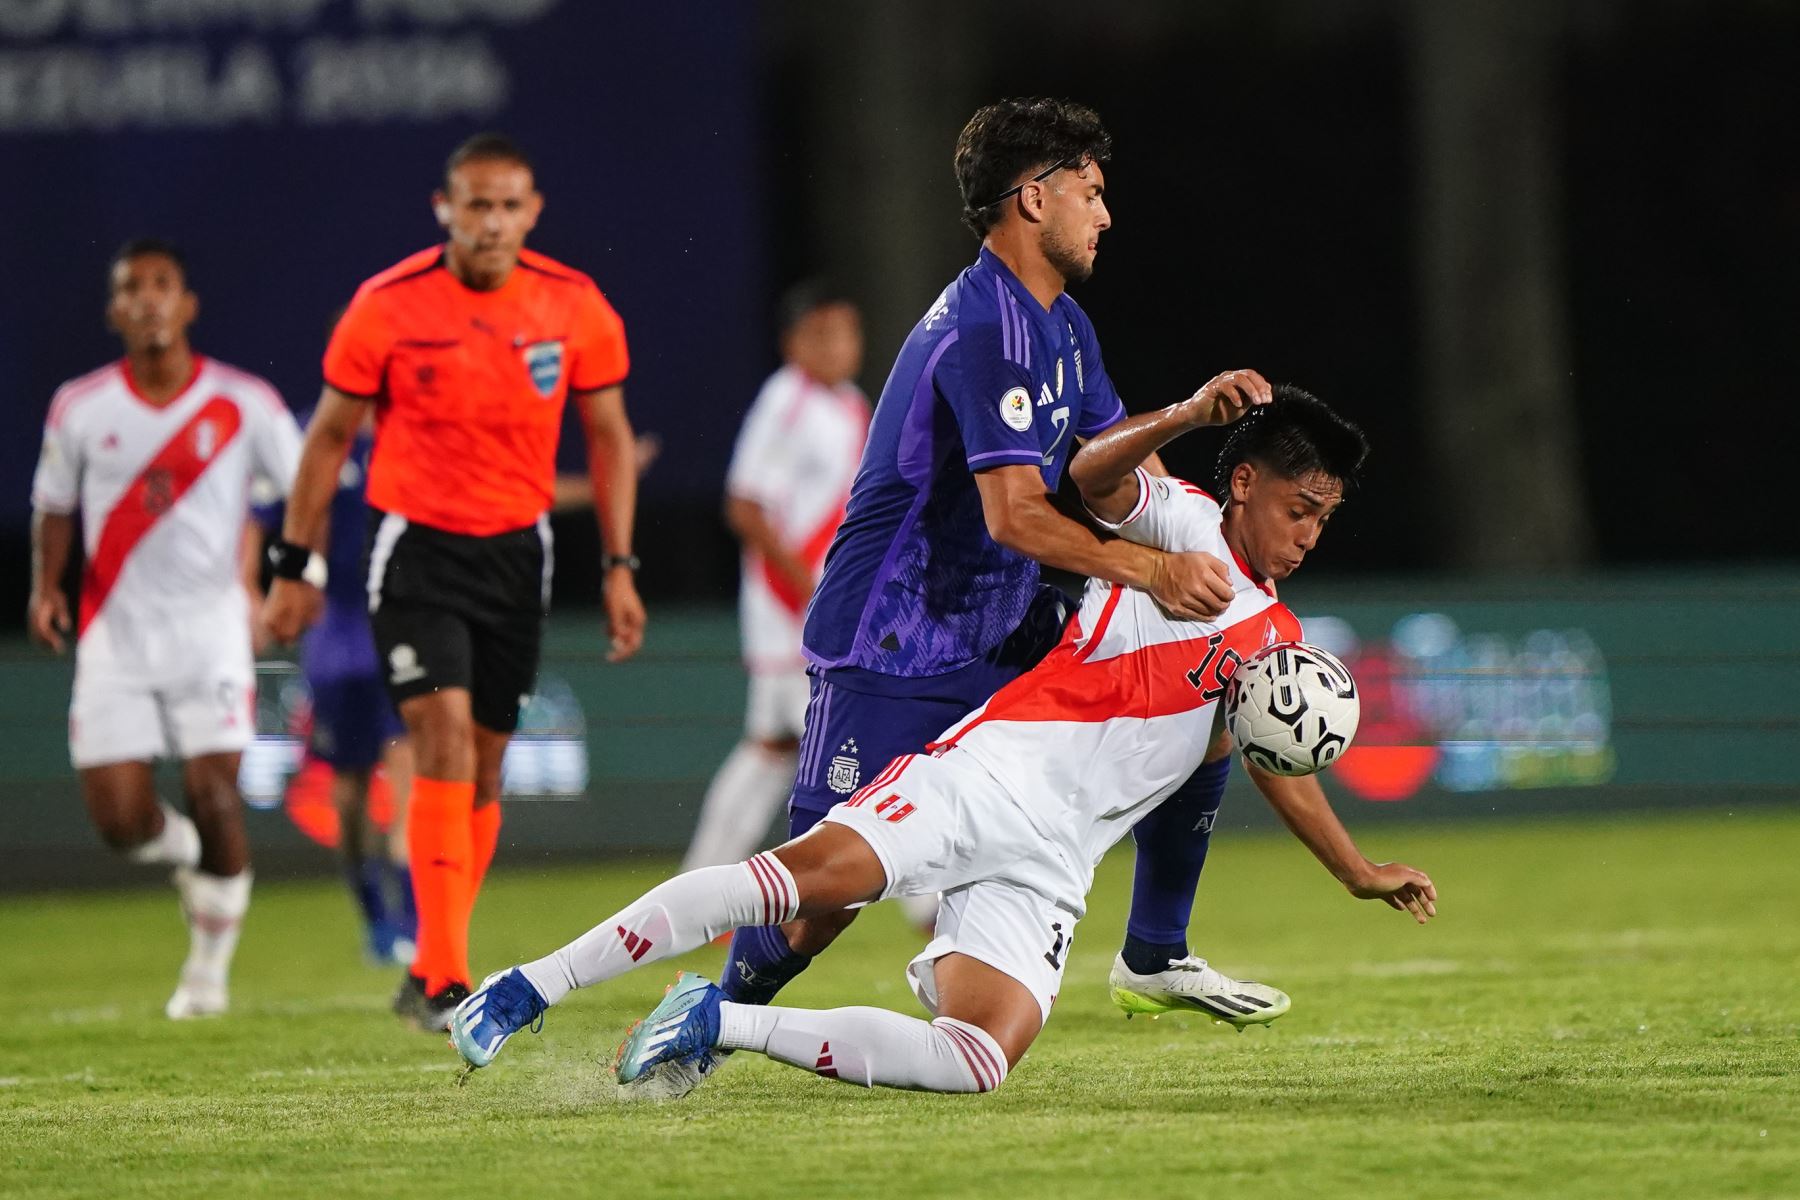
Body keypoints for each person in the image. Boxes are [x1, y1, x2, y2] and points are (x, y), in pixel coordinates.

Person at [449, 387, 1438, 1096]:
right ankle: (528, 987)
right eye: (1300, 509)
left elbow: (1275, 764)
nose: (1308, 535)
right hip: (993, 774)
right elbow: (1093, 475)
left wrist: (1353, 870)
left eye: (1325, 521)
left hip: (1056, 860)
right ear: (1248, 482)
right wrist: (1183, 416)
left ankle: (722, 1021)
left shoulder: (1284, 645)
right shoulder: (1180, 518)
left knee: (979, 1058)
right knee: (788, 883)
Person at [661, 97, 1275, 1098]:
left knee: (1208, 700)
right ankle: (705, 1024)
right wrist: (1156, 569)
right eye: (1091, 192)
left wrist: (1185, 423)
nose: (1105, 215)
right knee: (819, 903)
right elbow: (1017, 516)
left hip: (1000, 640)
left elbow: (1098, 468)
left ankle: (1151, 948)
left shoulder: (1064, 326)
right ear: (1033, 199)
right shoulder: (979, 328)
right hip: (892, 644)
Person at [261, 132, 646, 1032]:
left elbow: (611, 439)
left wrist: (621, 567)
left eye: (509, 205)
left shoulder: (574, 305)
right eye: (476, 204)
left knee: (483, 766)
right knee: (437, 740)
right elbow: (324, 439)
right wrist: (292, 564)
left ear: (533, 211)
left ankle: (434, 955)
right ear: (446, 210)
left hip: (517, 554)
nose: (493, 222)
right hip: (416, 554)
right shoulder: (387, 306)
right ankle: (441, 976)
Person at [27, 238, 303, 1019]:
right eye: (132, 289)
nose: (148, 299)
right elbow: (53, 505)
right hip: (113, 636)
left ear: (187, 306)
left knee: (216, 791)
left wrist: (294, 579)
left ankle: (207, 975)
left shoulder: (244, 402)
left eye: (162, 286)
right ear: (115, 311)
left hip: (211, 629)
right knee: (121, 823)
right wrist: (46, 587)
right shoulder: (80, 406)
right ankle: (188, 859)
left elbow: (305, 489)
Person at [682, 283, 869, 872]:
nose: (837, 345)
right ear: (792, 343)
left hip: (828, 605)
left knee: (773, 749)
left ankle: (700, 881)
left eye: (845, 331)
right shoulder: (785, 398)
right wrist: (808, 591)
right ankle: (924, 905)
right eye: (821, 333)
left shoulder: (852, 406)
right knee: (854, 739)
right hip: (792, 607)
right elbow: (744, 505)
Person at [247, 402, 416, 966]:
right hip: (335, 636)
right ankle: (377, 920)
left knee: (410, 777)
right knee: (349, 797)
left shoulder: (411, 431)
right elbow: (259, 515)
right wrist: (251, 588)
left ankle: (417, 928)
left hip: (399, 625)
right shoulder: (305, 438)